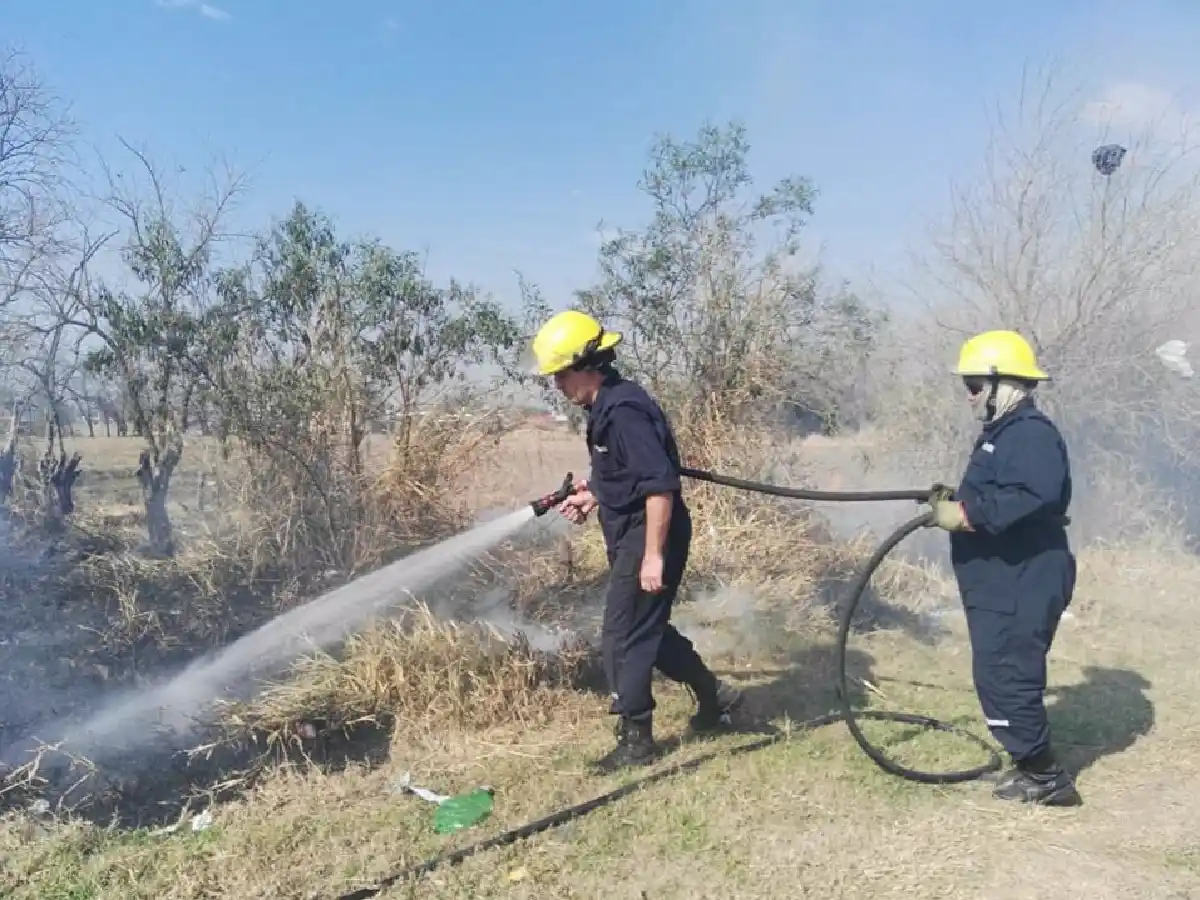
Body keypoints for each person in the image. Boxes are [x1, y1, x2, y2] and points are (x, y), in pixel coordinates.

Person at [528, 309, 742, 773]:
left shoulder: (624, 412)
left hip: (650, 535)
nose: (557, 386)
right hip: (634, 533)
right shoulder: (606, 407)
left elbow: (660, 486)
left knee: (623, 634)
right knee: (650, 629)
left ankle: (636, 738)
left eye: (560, 375)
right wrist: (593, 494)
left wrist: (652, 557)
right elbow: (625, 473)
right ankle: (715, 695)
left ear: (586, 365)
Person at [926, 329, 1082, 806]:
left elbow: (1034, 494)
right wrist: (959, 499)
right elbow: (1006, 489)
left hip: (1024, 575)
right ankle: (1030, 765)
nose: (969, 395)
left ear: (1003, 385)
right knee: (998, 669)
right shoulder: (1004, 432)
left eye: (974, 385)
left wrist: (967, 513)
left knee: (1007, 672)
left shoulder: (1030, 434)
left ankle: (1046, 778)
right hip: (1005, 576)